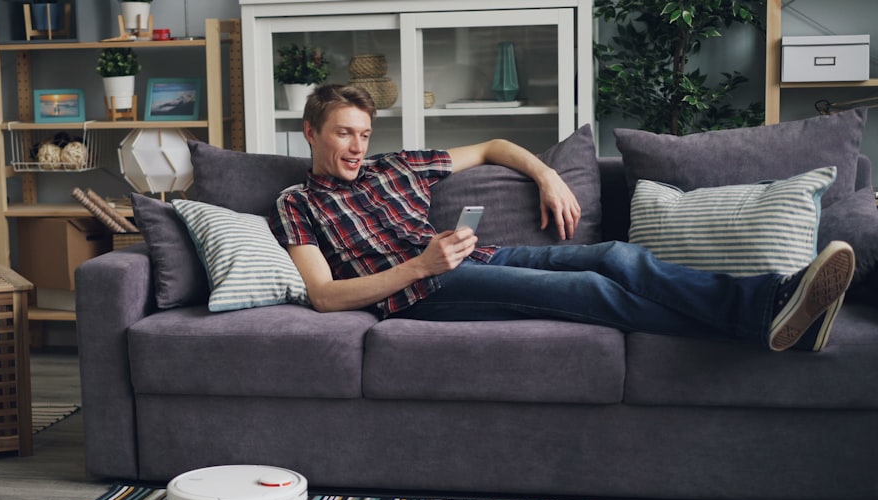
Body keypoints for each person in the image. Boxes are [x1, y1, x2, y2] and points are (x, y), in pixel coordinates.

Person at [268, 84, 855, 352]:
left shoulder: (398, 166)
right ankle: (767, 313)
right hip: (423, 289)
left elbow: (495, 144)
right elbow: (324, 295)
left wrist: (547, 174)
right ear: (311, 132)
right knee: (595, 291)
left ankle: (777, 304)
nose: (356, 145)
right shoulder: (298, 201)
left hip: (479, 256)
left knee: (616, 256)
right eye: (344, 132)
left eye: (363, 133)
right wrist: (419, 266)